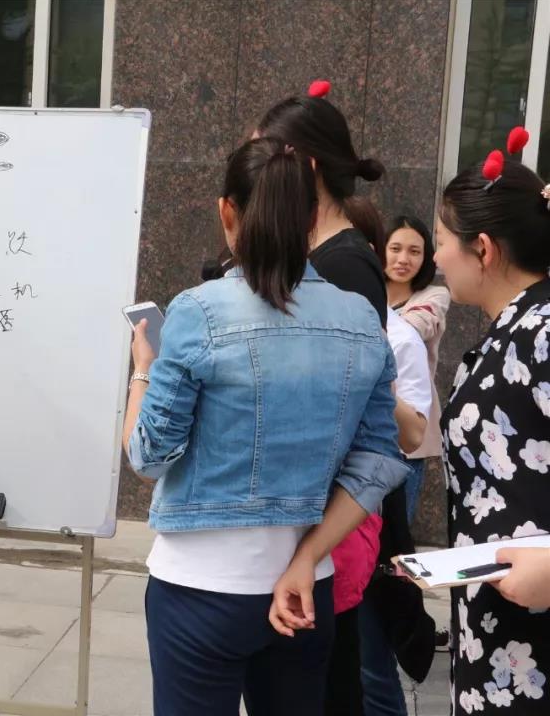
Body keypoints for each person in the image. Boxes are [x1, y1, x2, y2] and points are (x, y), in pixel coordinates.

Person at [124, 137, 408, 716]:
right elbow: (380, 458)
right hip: (306, 583)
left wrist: (141, 374)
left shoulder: (198, 311)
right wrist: (307, 556)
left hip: (199, 587)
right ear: (313, 218)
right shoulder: (360, 316)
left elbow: (148, 455)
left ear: (227, 212)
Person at [256, 89, 424, 715]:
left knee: (330, 685)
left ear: (302, 166)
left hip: (333, 515)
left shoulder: (345, 266)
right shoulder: (326, 255)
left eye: (265, 160)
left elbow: (350, 405)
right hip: (325, 512)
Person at [434, 157, 550, 715]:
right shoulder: (513, 328)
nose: (436, 258)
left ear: (482, 248)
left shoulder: (542, 330)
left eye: (440, 242)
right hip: (497, 622)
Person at [382, 214, 451, 520]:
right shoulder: (365, 292)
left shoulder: (434, 296)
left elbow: (417, 325)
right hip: (366, 425)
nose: (403, 259)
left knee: (396, 530)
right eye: (395, 248)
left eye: (414, 251)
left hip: (410, 426)